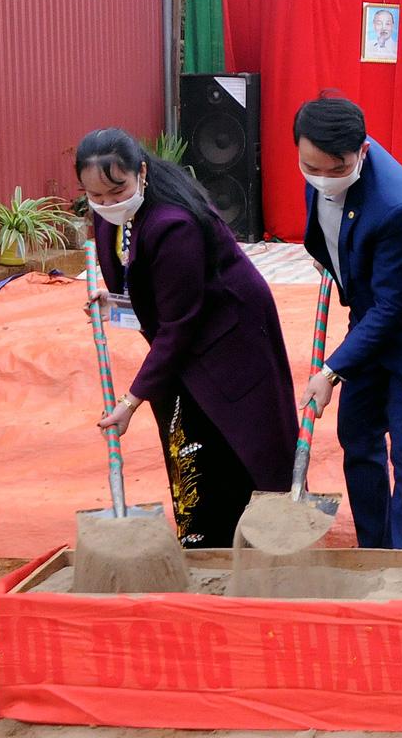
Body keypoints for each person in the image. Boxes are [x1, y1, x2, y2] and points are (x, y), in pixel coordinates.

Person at [79, 127, 298, 549]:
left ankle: (259, 535)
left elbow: (178, 324)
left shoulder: (173, 224)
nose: (107, 203)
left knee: (239, 435)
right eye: (96, 196)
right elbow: (147, 286)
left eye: (116, 190)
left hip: (229, 336)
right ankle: (202, 536)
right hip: (183, 333)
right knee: (185, 433)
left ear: (140, 172)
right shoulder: (112, 215)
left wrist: (130, 401)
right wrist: (117, 301)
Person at [296, 95, 402, 549]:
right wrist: (333, 261)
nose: (323, 179)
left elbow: (393, 308)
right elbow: (331, 226)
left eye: (337, 170)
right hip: (372, 316)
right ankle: (374, 546)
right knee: (357, 433)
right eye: (313, 167)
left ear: (363, 152)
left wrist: (331, 372)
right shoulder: (319, 165)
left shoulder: (395, 205)